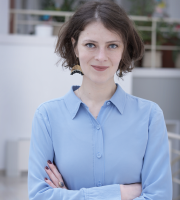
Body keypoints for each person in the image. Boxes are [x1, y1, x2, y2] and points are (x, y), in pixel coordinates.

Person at [28, 1, 172, 200]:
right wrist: (120, 193)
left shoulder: (149, 116)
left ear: (123, 50)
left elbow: (159, 196)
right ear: (75, 47)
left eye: (112, 45)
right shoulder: (47, 117)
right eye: (90, 45)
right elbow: (39, 196)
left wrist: (69, 195)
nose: (101, 56)